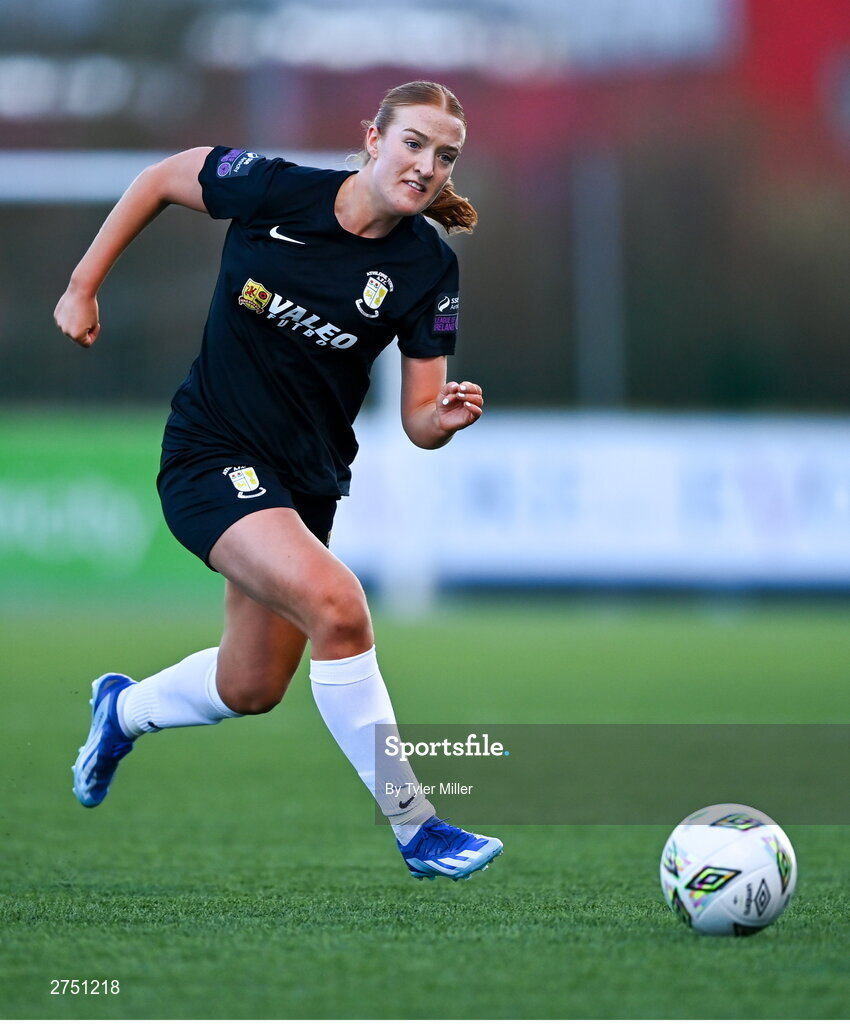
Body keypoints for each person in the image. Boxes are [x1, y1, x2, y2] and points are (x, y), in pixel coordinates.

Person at [54, 80, 503, 881]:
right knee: (341, 605)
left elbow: (419, 420)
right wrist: (84, 284)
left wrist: (447, 417)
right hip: (209, 453)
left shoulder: (428, 267)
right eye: (413, 143)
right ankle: (418, 827)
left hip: (306, 483)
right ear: (372, 138)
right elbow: (160, 178)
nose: (427, 165)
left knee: (252, 684)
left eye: (445, 156)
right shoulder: (274, 189)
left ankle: (120, 711)